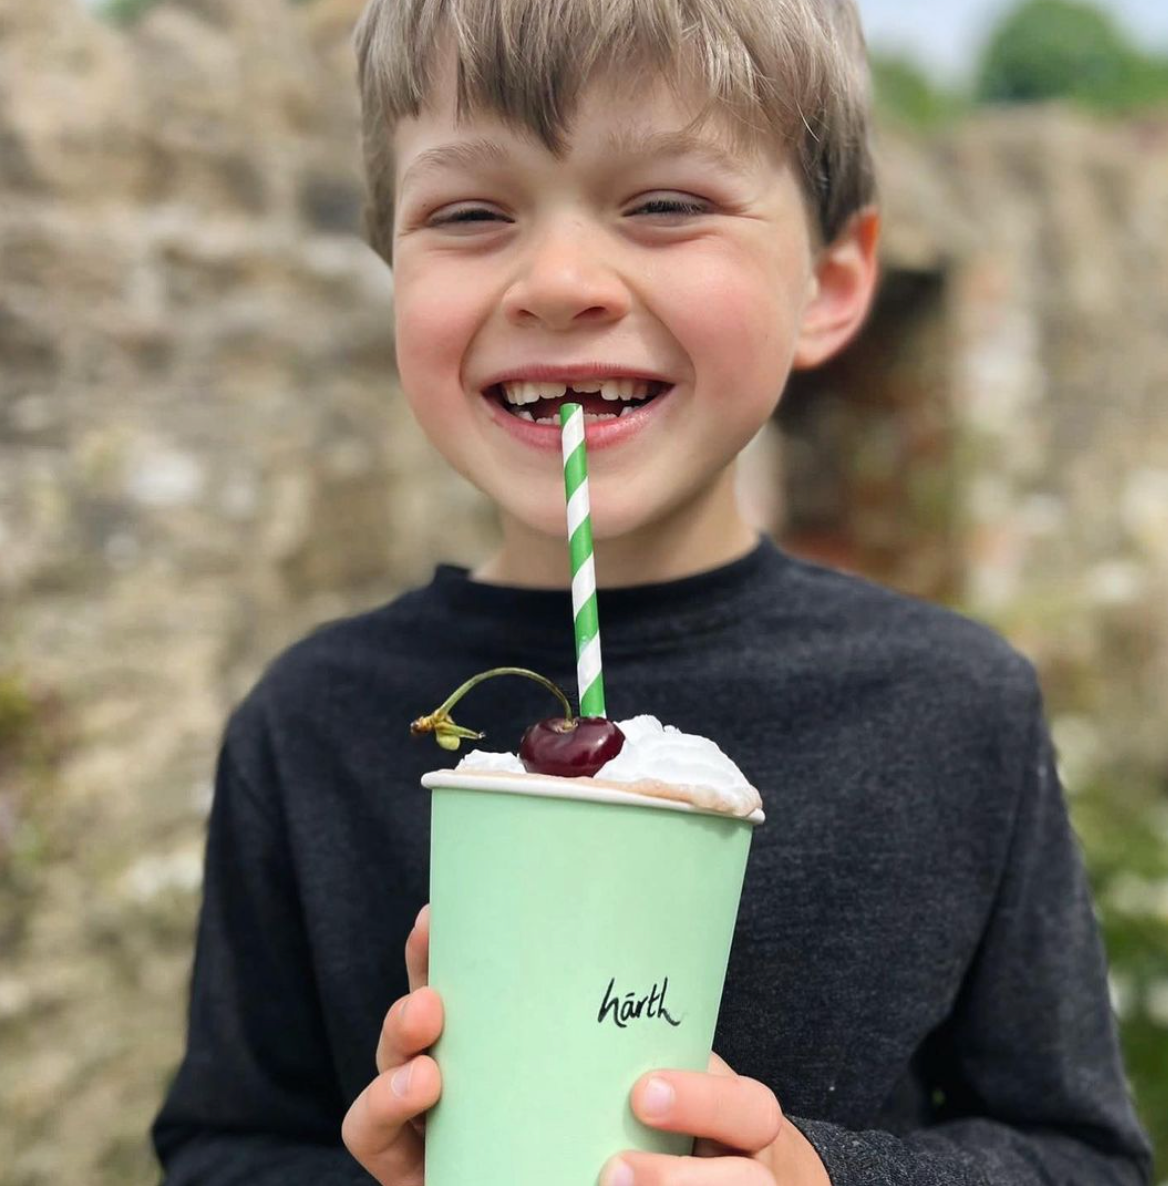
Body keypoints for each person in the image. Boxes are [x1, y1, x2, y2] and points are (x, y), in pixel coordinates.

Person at [151, 0, 1155, 1182]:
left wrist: (824, 1175)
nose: (559, 280)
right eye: (469, 212)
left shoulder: (955, 704)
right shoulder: (305, 720)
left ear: (830, 284)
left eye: (667, 203)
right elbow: (221, 1145)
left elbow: (1080, 1154)